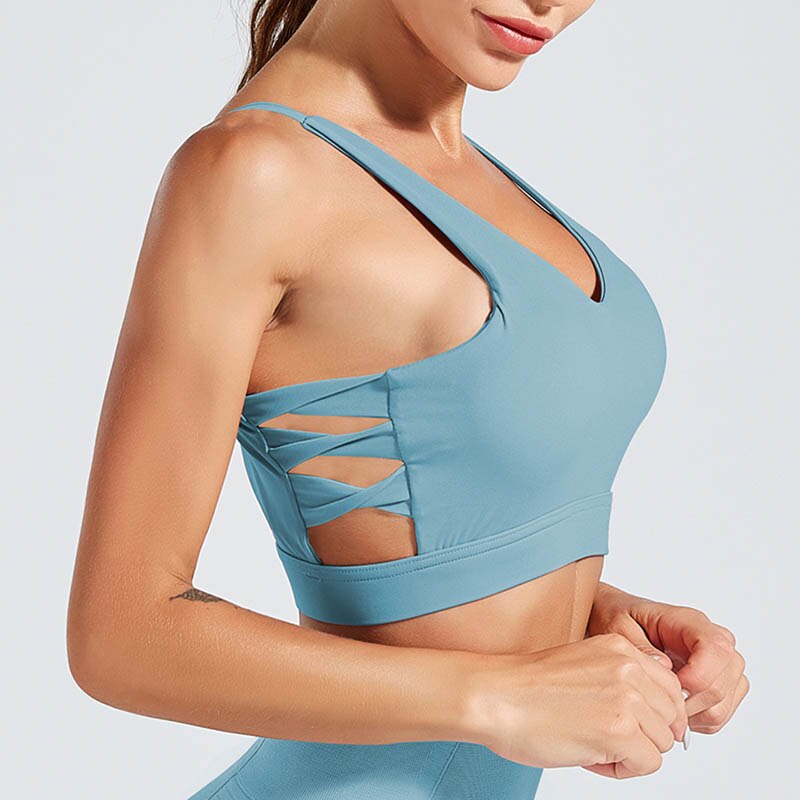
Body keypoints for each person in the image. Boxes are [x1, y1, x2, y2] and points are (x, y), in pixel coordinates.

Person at [66, 1, 749, 798]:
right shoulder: (254, 173)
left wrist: (599, 621)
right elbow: (122, 635)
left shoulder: (461, 170)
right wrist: (498, 696)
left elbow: (431, 544)